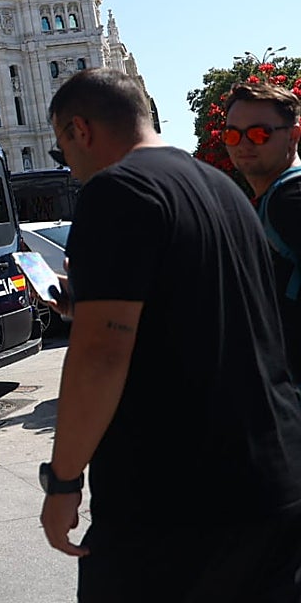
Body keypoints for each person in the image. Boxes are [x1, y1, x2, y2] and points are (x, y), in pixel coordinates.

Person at [39, 68, 301, 600]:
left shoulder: (116, 191)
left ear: (79, 131)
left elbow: (99, 354)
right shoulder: (226, 193)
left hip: (178, 504)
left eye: (62, 152)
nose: (69, 170)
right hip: (273, 482)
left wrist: (64, 481)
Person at [223, 79, 301, 383]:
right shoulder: (276, 199)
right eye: (232, 134)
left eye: (259, 133)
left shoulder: (289, 200)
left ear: (294, 135)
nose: (243, 144)